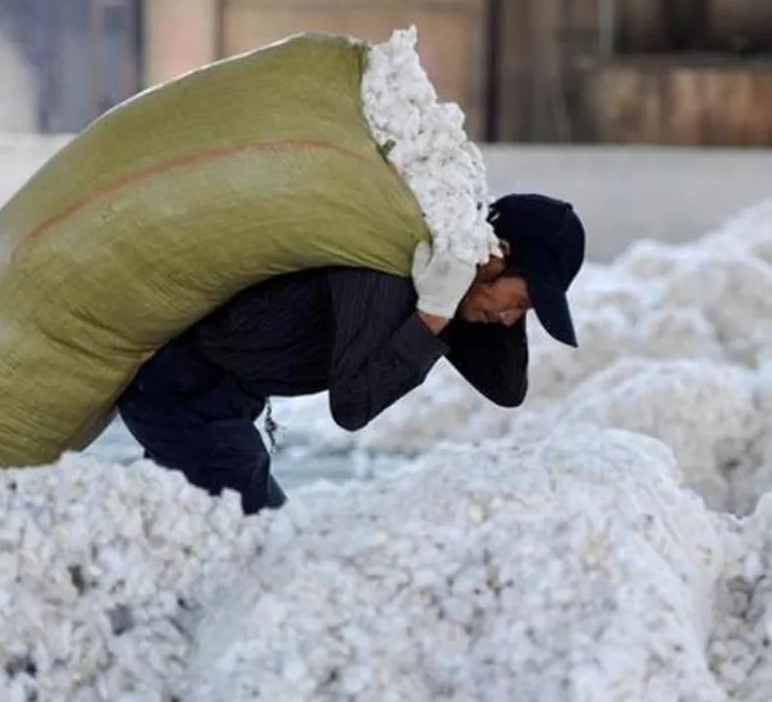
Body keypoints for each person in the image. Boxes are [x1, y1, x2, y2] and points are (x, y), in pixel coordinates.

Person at [116, 192, 586, 515]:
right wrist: (433, 318)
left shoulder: (442, 278)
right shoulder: (387, 265)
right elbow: (352, 406)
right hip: (187, 391)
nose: (511, 319)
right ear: (497, 255)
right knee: (264, 544)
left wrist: (465, 288)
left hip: (224, 400)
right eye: (521, 304)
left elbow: (506, 388)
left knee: (179, 526)